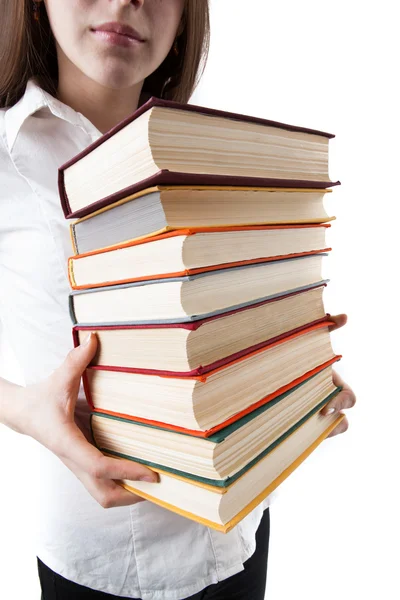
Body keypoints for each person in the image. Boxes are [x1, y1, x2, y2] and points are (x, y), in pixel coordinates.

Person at [0, 1, 356, 598]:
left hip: (236, 530)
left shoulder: (205, 155)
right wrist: (26, 412)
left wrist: (291, 381)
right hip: (97, 553)